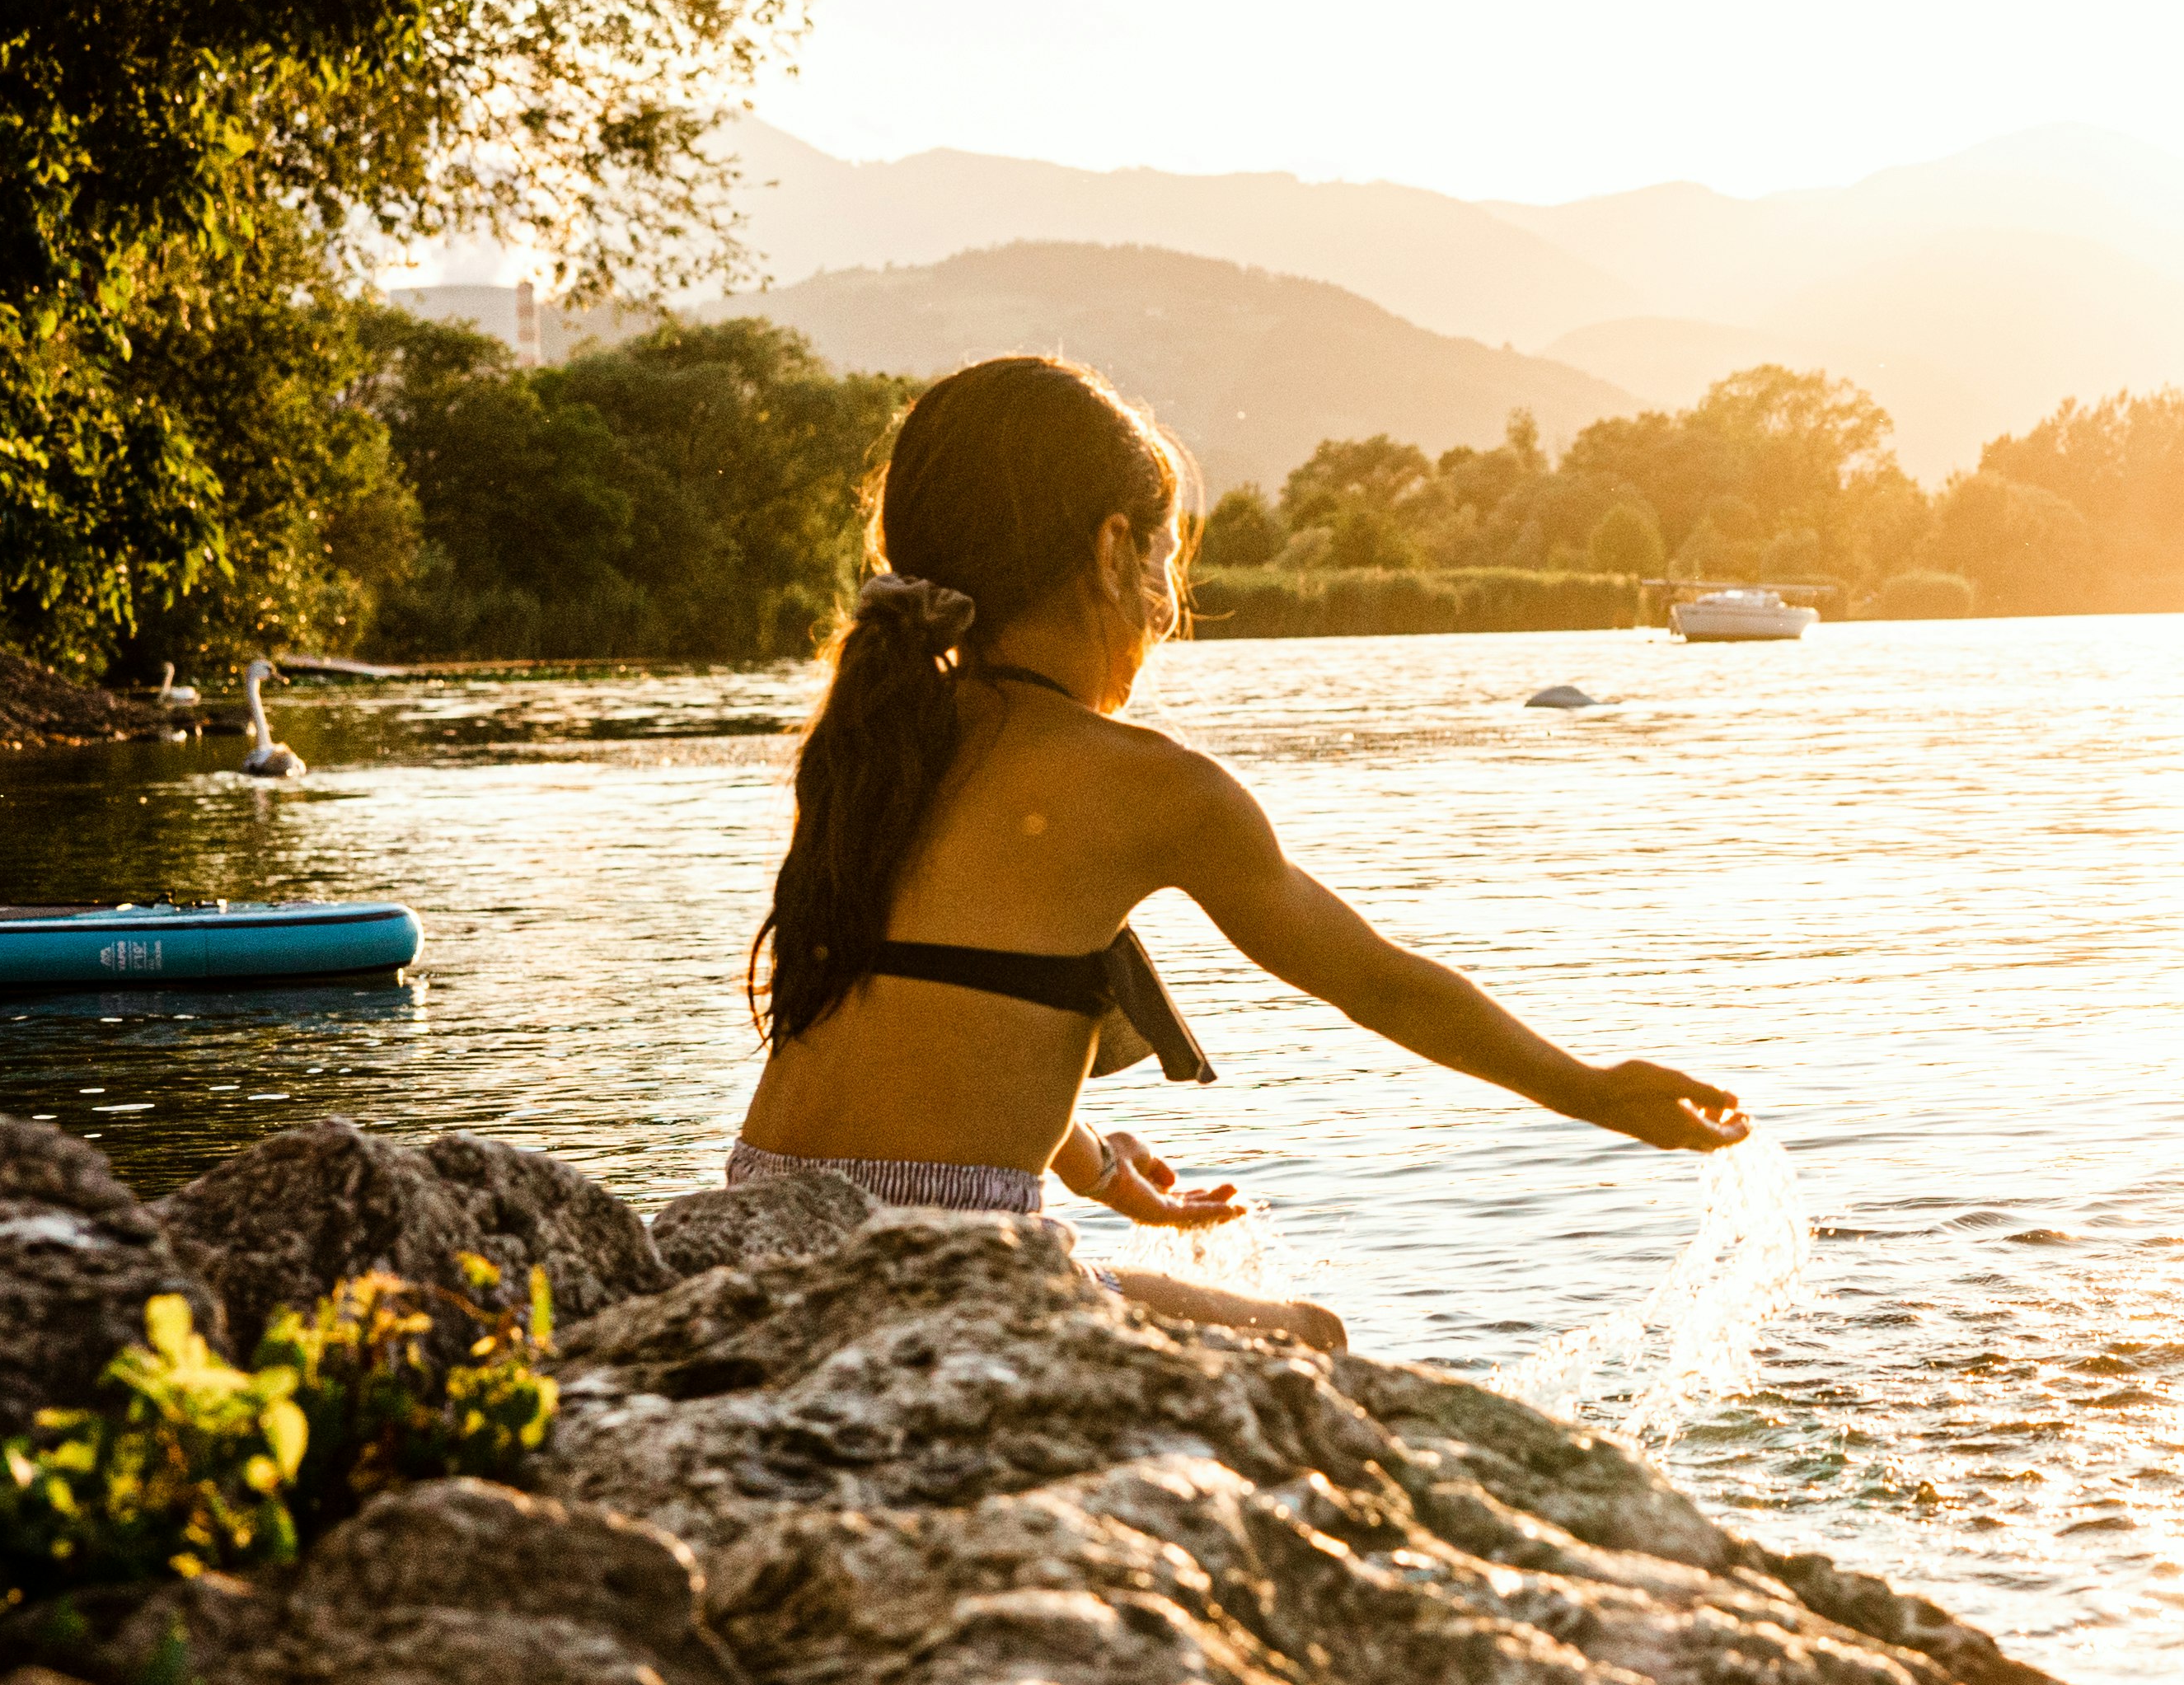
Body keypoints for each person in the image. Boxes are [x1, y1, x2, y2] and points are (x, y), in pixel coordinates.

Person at [733, 354, 1747, 1341]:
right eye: (1165, 558)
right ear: (1112, 548)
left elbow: (917, 1028)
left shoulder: (877, 747)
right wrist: (1588, 1089)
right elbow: (1377, 983)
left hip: (750, 1232)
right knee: (1309, 1336)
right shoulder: (1154, 786)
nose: (1167, 603)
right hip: (933, 1269)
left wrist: (1094, 1166)